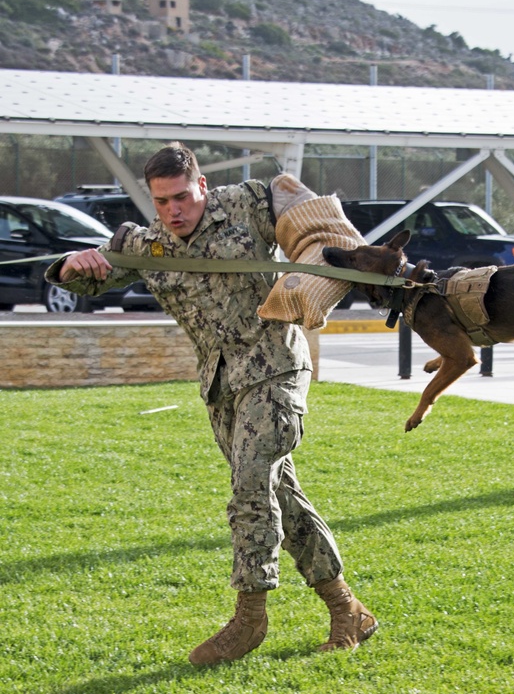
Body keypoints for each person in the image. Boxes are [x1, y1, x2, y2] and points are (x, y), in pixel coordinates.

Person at [46, 144, 378, 665]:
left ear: (200, 186)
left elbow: (307, 216)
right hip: (222, 386)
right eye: (162, 202)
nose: (174, 210)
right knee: (279, 495)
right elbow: (92, 275)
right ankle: (347, 609)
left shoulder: (245, 204)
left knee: (250, 484)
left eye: (181, 197)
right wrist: (71, 263)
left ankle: (249, 618)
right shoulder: (148, 245)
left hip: (277, 369)